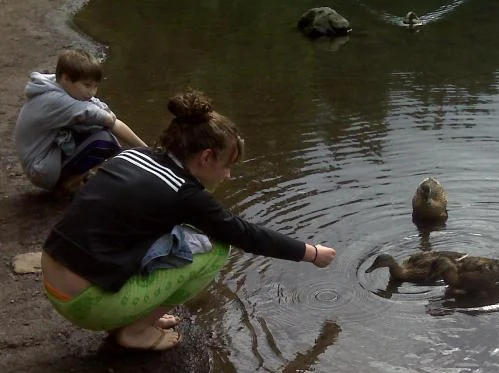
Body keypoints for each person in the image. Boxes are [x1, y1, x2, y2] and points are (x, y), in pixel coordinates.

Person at [40, 90, 336, 351]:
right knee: (215, 249)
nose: (228, 176)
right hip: (85, 305)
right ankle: (136, 330)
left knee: (181, 232)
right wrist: (310, 253)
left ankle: (142, 312)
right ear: (206, 157)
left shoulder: (133, 156)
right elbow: (245, 234)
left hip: (53, 277)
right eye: (227, 166)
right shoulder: (184, 194)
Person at [13, 48, 147, 193]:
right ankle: (69, 184)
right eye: (87, 85)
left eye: (95, 86)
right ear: (65, 78)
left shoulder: (58, 84)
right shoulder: (58, 101)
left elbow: (105, 112)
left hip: (45, 155)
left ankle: (78, 175)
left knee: (94, 127)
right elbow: (111, 121)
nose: (91, 92)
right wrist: (148, 152)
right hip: (40, 169)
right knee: (105, 139)